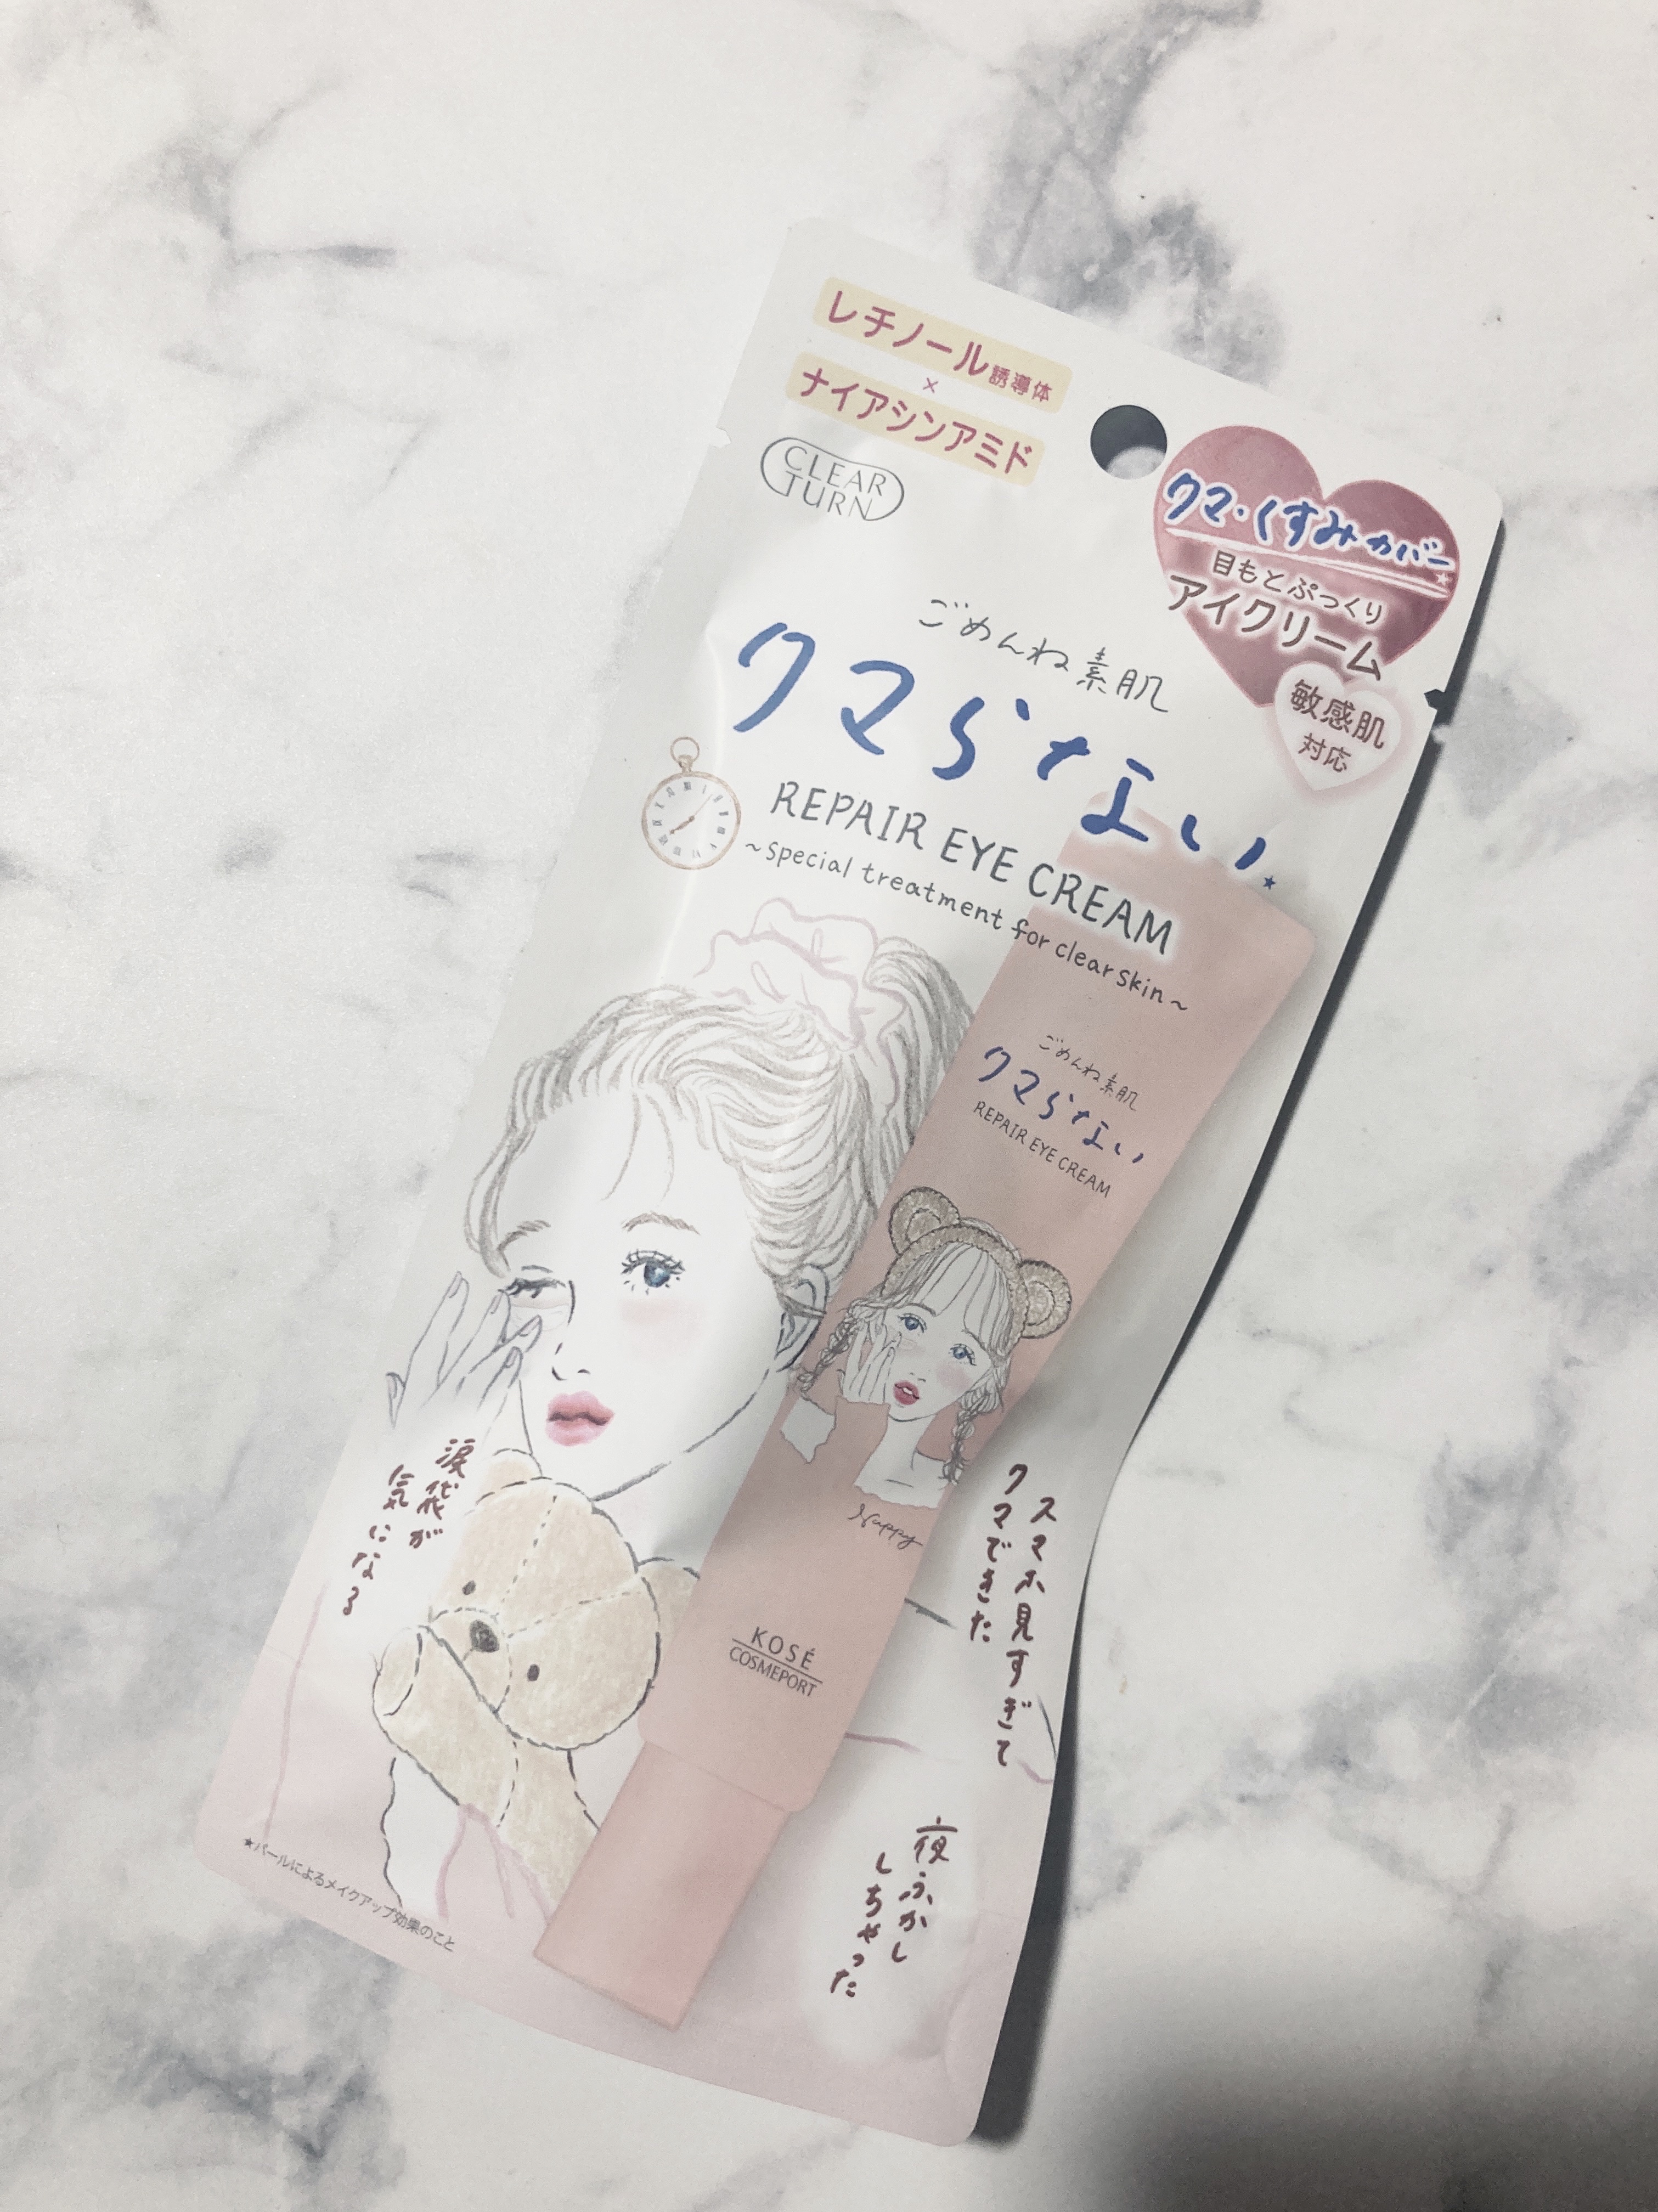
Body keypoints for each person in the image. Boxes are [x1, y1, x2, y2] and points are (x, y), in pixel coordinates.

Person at [375, 901, 971, 1914]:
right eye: (534, 1281)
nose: (567, 1341)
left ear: (797, 1309)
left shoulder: (868, 1648)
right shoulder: (478, 1529)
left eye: (652, 1270)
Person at [782, 1187, 1071, 1508]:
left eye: (962, 1353)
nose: (924, 1367)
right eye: (912, 1324)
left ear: (984, 1381)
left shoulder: (948, 1497)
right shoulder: (792, 1429)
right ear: (877, 1317)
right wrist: (856, 1423)